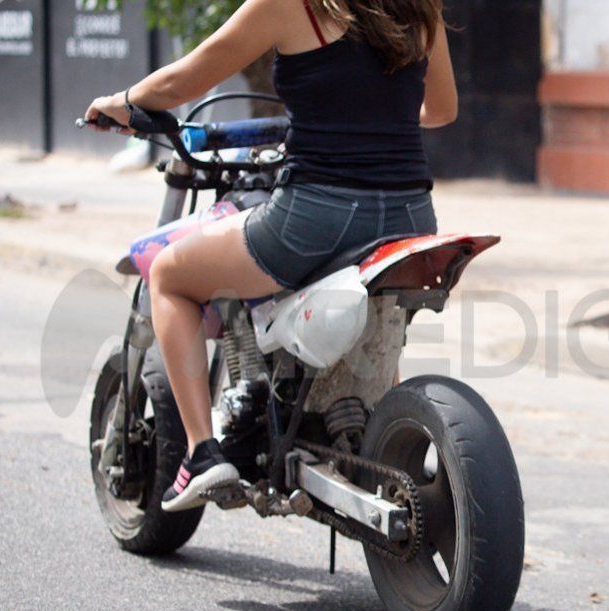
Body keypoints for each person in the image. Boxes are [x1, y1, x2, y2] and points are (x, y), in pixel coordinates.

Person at [84, 0, 457, 512]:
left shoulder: (292, 5)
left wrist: (122, 101)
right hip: (413, 216)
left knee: (170, 274)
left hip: (318, 215)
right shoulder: (420, 6)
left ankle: (200, 454)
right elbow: (441, 110)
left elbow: (182, 83)